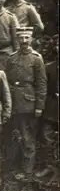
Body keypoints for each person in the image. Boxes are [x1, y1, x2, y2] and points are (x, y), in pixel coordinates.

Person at [5, 26, 47, 177]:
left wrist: (39, 107)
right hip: (13, 102)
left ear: (31, 39)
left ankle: (27, 170)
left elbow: (42, 84)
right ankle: (12, 167)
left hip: (28, 103)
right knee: (14, 136)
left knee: (27, 137)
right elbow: (7, 81)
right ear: (17, 39)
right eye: (21, 38)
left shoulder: (36, 58)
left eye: (26, 38)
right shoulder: (12, 58)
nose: (23, 41)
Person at [35, 34, 59, 179]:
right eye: (57, 45)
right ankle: (50, 167)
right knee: (46, 137)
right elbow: (43, 87)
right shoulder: (48, 67)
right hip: (52, 109)